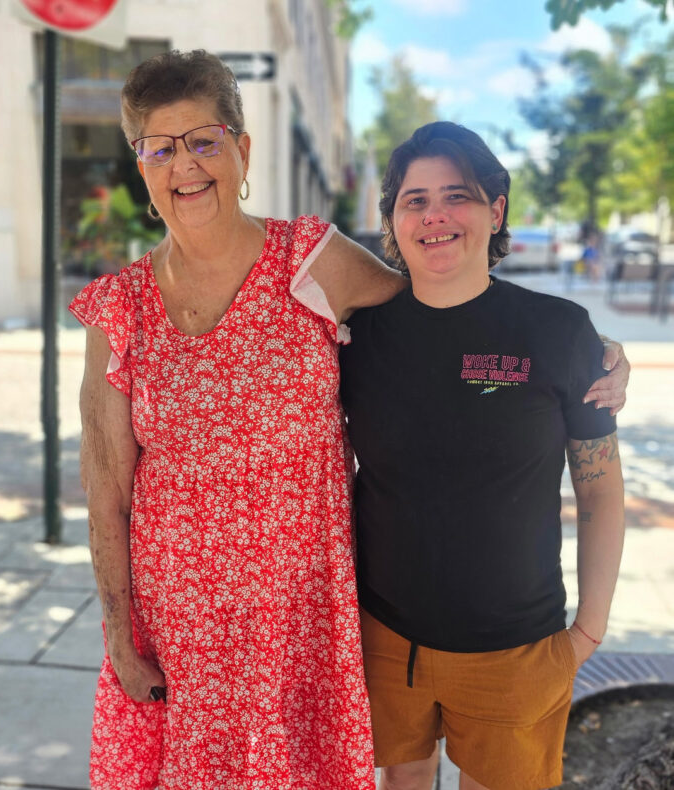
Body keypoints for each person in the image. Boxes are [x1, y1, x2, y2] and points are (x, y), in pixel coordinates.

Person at [71, 50, 628, 789]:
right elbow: (105, 488)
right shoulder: (120, 309)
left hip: (306, 621)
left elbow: (441, 289)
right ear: (139, 165)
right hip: (182, 629)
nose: (184, 164)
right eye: (159, 147)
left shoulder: (311, 261)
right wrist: (119, 632)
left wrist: (575, 347)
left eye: (204, 140)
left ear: (241, 150)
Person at [339, 122, 626, 790]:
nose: (434, 215)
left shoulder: (558, 332)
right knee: (401, 781)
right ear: (392, 219)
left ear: (494, 209)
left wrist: (587, 631)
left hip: (516, 646)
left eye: (456, 195)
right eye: (413, 200)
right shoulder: (357, 338)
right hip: (385, 634)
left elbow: (601, 493)